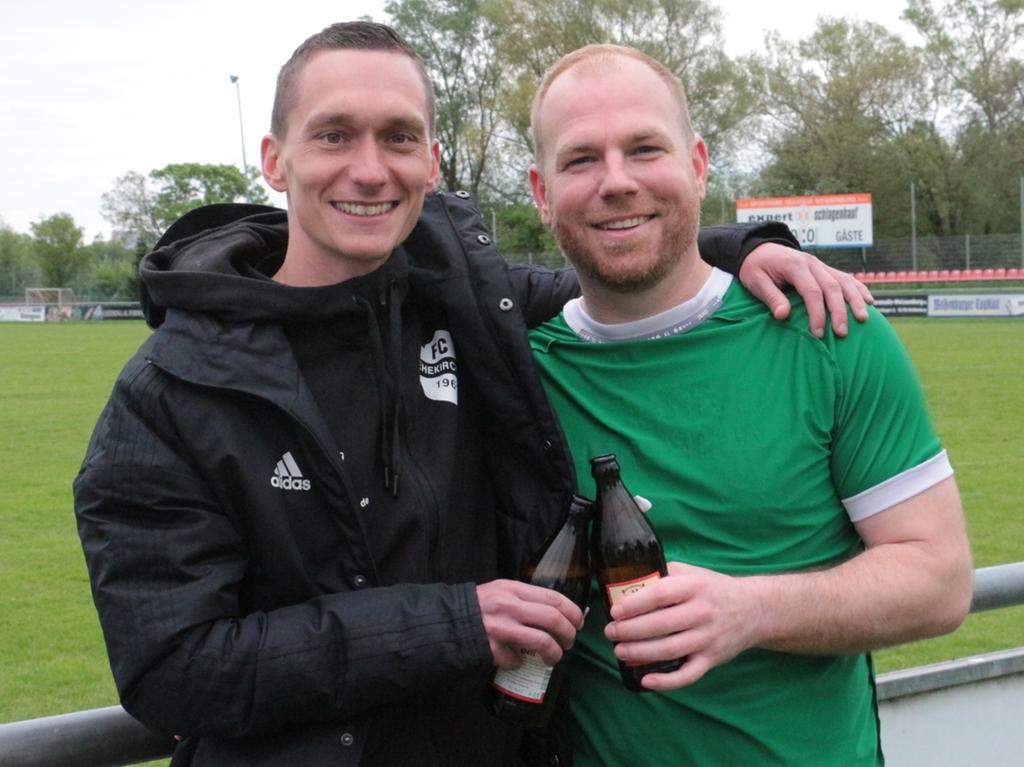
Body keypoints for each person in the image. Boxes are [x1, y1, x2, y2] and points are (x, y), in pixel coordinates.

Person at [75, 22, 870, 767]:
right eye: (333, 134)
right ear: (276, 160)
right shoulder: (170, 392)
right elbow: (170, 668)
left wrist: (749, 248)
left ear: (433, 161)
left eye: (398, 137)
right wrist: (452, 625)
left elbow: (608, 270)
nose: (369, 167)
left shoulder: (469, 306)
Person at [526, 44, 974, 766]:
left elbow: (940, 579)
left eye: (645, 148)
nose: (617, 181)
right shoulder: (515, 370)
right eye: (580, 160)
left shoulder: (829, 332)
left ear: (698, 165)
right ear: (541, 191)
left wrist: (752, 609)